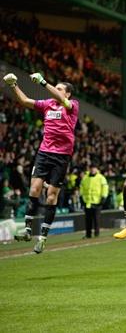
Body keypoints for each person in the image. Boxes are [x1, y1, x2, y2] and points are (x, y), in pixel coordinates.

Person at [3, 72, 79, 253]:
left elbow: (60, 98)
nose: (57, 91)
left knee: (52, 195)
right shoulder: (47, 105)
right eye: (57, 88)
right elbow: (25, 101)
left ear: (67, 94)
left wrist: (44, 82)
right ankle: (28, 229)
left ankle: (43, 237)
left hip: (61, 156)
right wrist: (13, 85)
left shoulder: (71, 106)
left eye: (60, 89)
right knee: (34, 189)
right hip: (44, 153)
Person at [80, 163, 109, 238]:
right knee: (88, 220)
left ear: (97, 169)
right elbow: (81, 189)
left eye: (94, 168)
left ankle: (97, 234)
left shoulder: (101, 178)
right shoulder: (85, 178)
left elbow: (105, 188)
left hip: (97, 202)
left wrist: (103, 198)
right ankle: (88, 234)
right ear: (89, 169)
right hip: (87, 202)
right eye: (92, 168)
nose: (93, 169)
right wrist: (81, 198)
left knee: (97, 220)